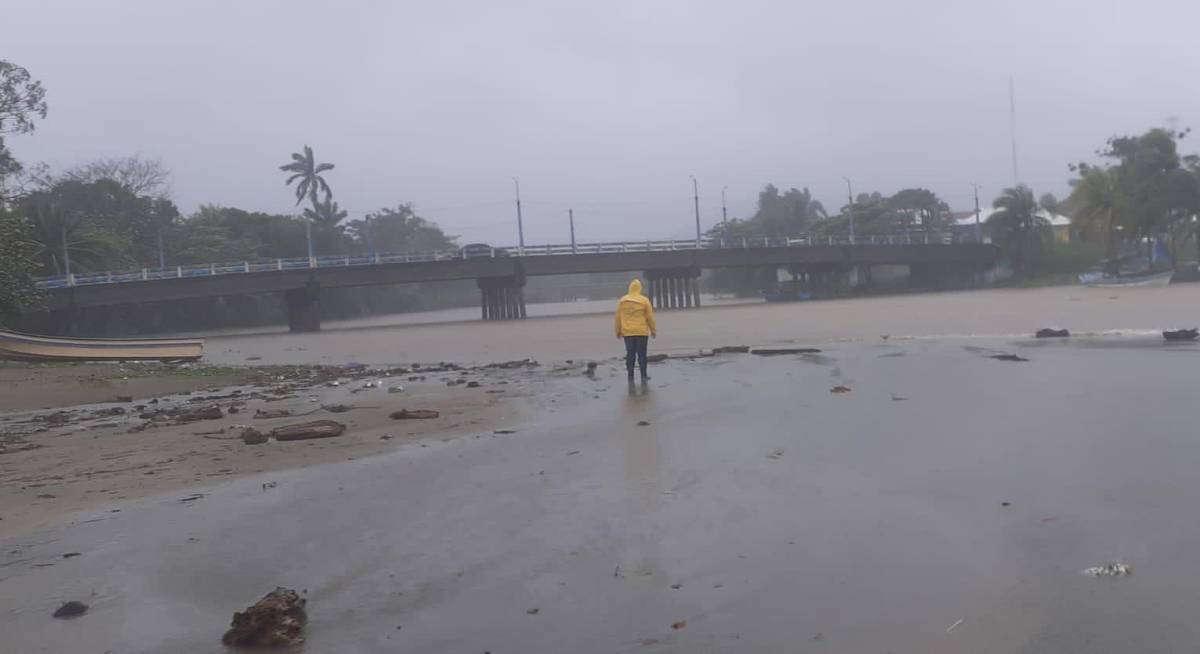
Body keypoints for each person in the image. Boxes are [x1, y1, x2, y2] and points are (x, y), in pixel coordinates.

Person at [614, 279, 657, 380]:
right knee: (642, 354)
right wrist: (653, 330)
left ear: (630, 288)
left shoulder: (623, 301)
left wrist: (617, 331)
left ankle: (630, 374)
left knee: (630, 353)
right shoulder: (644, 300)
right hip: (641, 332)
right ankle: (644, 375)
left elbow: (618, 317)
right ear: (640, 288)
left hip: (628, 332)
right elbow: (650, 317)